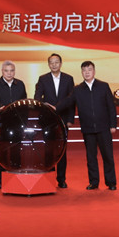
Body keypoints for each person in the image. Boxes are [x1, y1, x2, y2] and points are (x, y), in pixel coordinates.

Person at [58, 60, 117, 191]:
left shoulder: (103, 86)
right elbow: (67, 102)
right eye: (84, 70)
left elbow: (111, 107)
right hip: (88, 128)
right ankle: (93, 182)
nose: (87, 73)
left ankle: (111, 182)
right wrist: (54, 108)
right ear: (82, 72)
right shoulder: (77, 89)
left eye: (89, 70)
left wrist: (113, 124)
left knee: (108, 156)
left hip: (103, 127)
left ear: (94, 71)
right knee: (91, 157)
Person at [34, 53, 75, 188]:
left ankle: (61, 179)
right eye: (51, 62)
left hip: (63, 119)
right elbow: (37, 97)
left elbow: (71, 100)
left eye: (56, 62)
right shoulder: (43, 79)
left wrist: (70, 119)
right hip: (48, 119)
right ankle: (50, 178)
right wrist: (44, 106)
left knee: (62, 150)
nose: (54, 65)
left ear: (61, 63)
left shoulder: (68, 79)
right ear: (48, 64)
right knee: (48, 149)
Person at [0, 60, 27, 188]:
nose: (9, 73)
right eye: (6, 71)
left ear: (14, 71)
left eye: (11, 71)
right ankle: (1, 179)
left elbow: (24, 103)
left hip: (17, 124)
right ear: (2, 71)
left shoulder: (20, 84)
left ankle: (16, 176)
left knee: (17, 151)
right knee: (2, 152)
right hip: (2, 124)